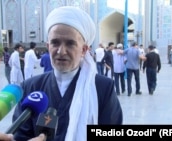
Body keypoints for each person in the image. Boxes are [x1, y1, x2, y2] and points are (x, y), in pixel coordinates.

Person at [12, 6, 123, 141]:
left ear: (83, 50)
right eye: (55, 43)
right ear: (48, 47)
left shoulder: (103, 87)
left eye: (70, 44)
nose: (61, 51)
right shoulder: (30, 87)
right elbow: (19, 135)